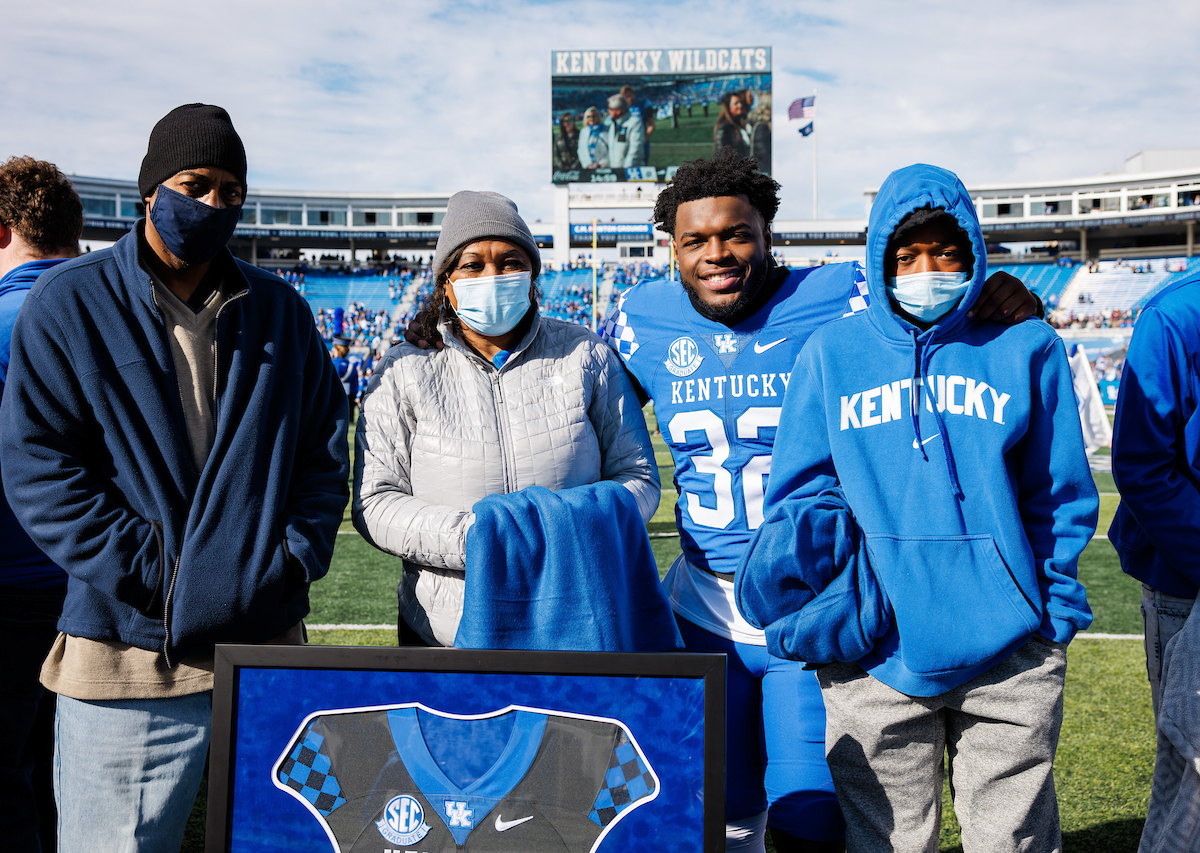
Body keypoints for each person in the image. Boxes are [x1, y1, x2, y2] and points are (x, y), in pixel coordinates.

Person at [598, 150, 1043, 852]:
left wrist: (995, 295)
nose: (718, 253)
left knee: (812, 815)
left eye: (737, 234)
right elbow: (585, 407)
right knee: (720, 804)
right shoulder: (639, 317)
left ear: (767, 234)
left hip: (811, 601)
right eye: (696, 240)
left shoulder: (845, 292)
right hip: (698, 606)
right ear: (671, 248)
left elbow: (931, 312)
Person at [0, 104, 350, 851]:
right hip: (126, 658)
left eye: (231, 192)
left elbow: (324, 448)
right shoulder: (70, 301)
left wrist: (290, 556)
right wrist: (161, 571)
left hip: (266, 649)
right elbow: (40, 468)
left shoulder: (283, 310)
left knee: (283, 841)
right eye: (197, 184)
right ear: (150, 191)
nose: (215, 204)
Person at [736, 163, 1096, 852]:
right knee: (887, 845)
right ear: (879, 259)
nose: (926, 268)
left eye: (945, 252)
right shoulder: (831, 354)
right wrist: (843, 602)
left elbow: (1059, 494)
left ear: (974, 253)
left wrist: (1052, 620)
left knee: (1012, 841)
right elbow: (800, 497)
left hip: (1010, 651)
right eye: (906, 255)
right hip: (877, 656)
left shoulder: (1026, 344)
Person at [354, 190, 665, 650]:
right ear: (446, 282)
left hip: (578, 623)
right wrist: (483, 539)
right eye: (473, 265)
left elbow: (638, 476)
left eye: (510, 262)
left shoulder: (586, 355)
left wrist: (563, 533)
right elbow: (375, 502)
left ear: (534, 276)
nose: (493, 275)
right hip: (445, 634)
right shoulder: (404, 370)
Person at [0, 155, 82, 853]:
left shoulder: (6, 320)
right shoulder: (134, 314)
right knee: (78, 775)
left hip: (14, 581)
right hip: (110, 590)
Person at [605, 94, 646, 169]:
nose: (608, 111)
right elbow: (611, 150)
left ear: (618, 111)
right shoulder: (613, 124)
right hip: (616, 171)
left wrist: (626, 169)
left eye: (610, 109)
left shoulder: (634, 122)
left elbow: (635, 149)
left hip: (631, 171)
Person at [331, 333, 360, 418]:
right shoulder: (352, 366)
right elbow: (355, 386)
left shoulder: (332, 363)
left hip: (333, 397)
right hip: (348, 398)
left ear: (336, 349)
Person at [713, 92, 749, 158]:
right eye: (736, 103)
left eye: (740, 102)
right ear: (728, 106)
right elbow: (722, 155)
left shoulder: (740, 122)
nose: (740, 105)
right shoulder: (724, 127)